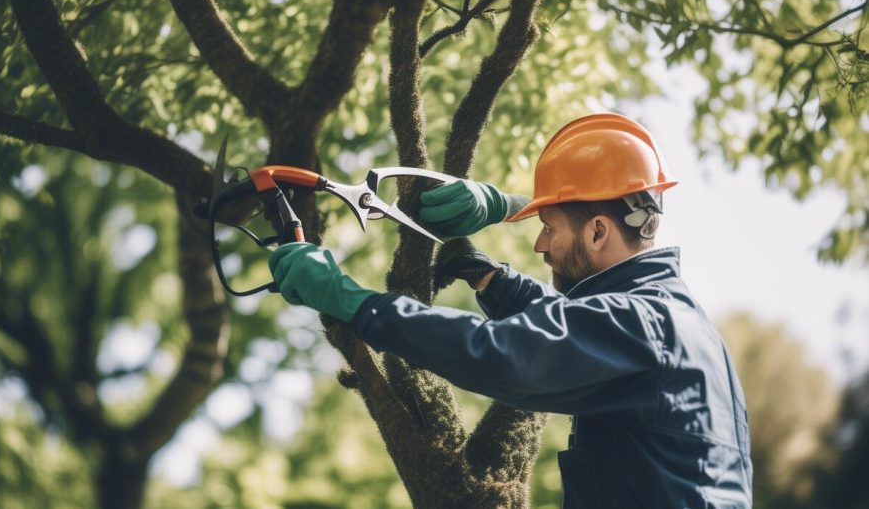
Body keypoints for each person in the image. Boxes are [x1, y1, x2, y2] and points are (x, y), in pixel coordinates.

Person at [267, 113, 754, 508]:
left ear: (600, 232)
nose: (540, 244)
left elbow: (499, 353)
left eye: (549, 227)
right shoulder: (674, 320)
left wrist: (350, 300)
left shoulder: (646, 325)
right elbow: (578, 329)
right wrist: (491, 276)